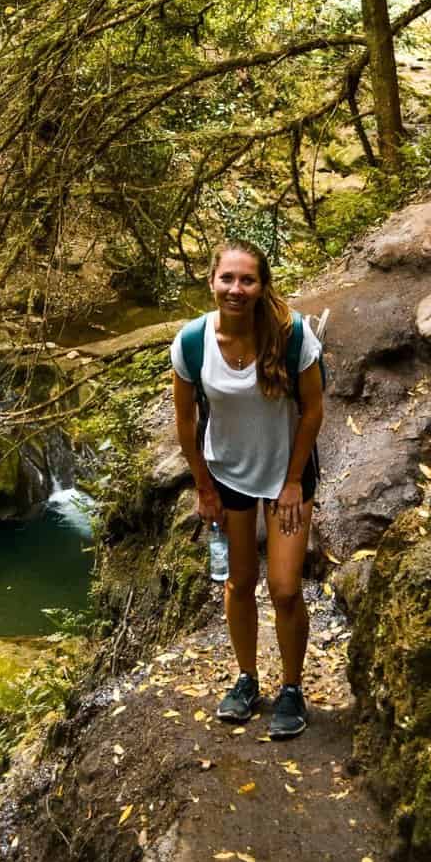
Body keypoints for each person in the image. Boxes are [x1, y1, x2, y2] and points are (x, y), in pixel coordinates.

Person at [171, 239, 325, 739]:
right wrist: (203, 488)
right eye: (227, 279)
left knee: (283, 588)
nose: (236, 290)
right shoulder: (192, 342)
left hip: (288, 474)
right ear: (211, 281)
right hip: (228, 474)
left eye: (247, 280)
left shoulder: (291, 334)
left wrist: (294, 481)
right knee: (238, 581)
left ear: (262, 286)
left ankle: (293, 688)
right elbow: (185, 419)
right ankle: (246, 679)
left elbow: (314, 411)